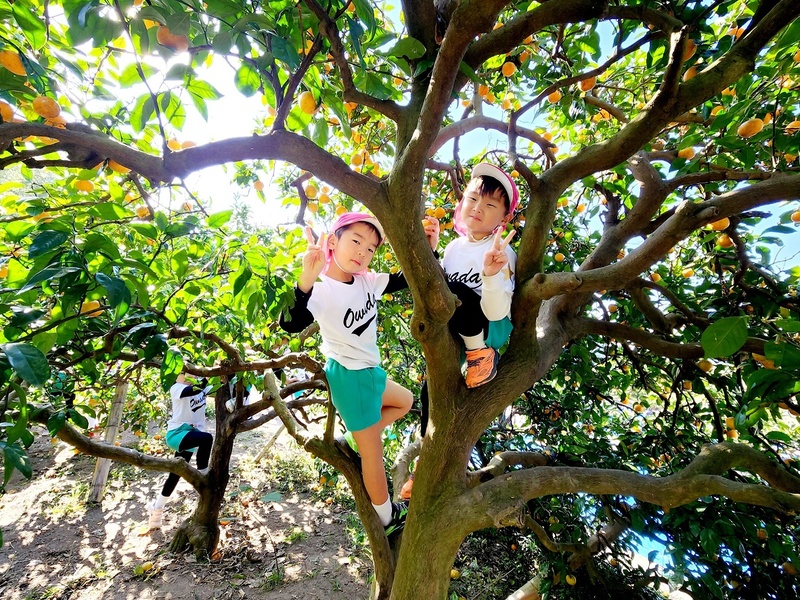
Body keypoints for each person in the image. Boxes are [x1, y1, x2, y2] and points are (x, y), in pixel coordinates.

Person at [279, 212, 425, 535]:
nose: (363, 251)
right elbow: (290, 323)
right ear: (333, 241)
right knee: (373, 455)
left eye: (371, 248)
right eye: (356, 241)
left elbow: (404, 278)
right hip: (350, 377)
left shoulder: (367, 281)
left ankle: (352, 438)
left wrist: (430, 249)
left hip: (371, 373)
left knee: (405, 401)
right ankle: (387, 518)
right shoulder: (322, 289)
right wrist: (305, 281)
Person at [402, 164, 518, 500]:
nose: (478, 208)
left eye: (490, 205)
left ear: (504, 218)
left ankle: (480, 355)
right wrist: (431, 252)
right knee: (430, 391)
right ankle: (424, 461)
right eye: (472, 199)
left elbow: (497, 311)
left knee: (455, 292)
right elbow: (435, 289)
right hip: (456, 330)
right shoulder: (454, 248)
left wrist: (491, 274)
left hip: (487, 328)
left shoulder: (501, 250)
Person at [147, 372, 214, 529]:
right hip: (177, 434)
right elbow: (193, 390)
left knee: (175, 475)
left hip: (191, 434)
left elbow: (217, 388)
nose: (188, 375)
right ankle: (203, 475)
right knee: (207, 439)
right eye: (183, 372)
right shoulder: (177, 388)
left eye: (190, 371)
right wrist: (208, 376)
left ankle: (156, 510)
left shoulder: (201, 388)